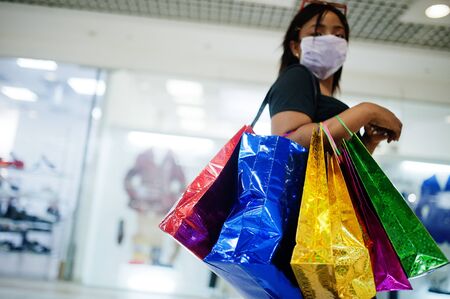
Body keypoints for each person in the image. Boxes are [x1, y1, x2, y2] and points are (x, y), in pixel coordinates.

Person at [267, 0, 402, 153]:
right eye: (317, 33)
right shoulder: (297, 76)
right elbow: (287, 144)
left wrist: (369, 141)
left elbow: (337, 166)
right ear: (295, 46)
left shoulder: (321, 95)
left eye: (339, 35)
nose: (330, 40)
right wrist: (367, 111)